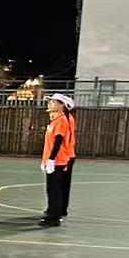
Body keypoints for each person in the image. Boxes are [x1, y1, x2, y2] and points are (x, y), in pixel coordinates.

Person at [39, 92, 77, 227]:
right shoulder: (57, 119)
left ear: (62, 106)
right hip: (56, 159)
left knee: (55, 189)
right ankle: (54, 212)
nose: (50, 104)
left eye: (53, 102)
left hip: (58, 159)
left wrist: (51, 159)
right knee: (54, 189)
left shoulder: (61, 120)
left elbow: (58, 140)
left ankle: (54, 216)